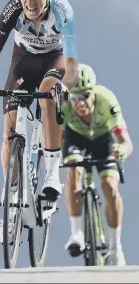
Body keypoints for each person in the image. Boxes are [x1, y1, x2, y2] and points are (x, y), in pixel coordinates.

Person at [0, 0, 79, 243]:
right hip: (23, 62)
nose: (30, 0)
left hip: (55, 61)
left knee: (47, 95)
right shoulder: (12, 9)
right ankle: (12, 197)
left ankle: (52, 176)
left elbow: (72, 63)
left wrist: (64, 88)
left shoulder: (62, 11)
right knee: (10, 131)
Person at [61, 63, 133, 265]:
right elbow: (58, 138)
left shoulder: (107, 101)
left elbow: (126, 142)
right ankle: (76, 233)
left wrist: (121, 151)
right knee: (74, 170)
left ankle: (115, 248)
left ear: (93, 93)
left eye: (84, 96)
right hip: (75, 140)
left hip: (103, 141)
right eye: (74, 97)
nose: (79, 103)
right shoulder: (64, 105)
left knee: (110, 186)